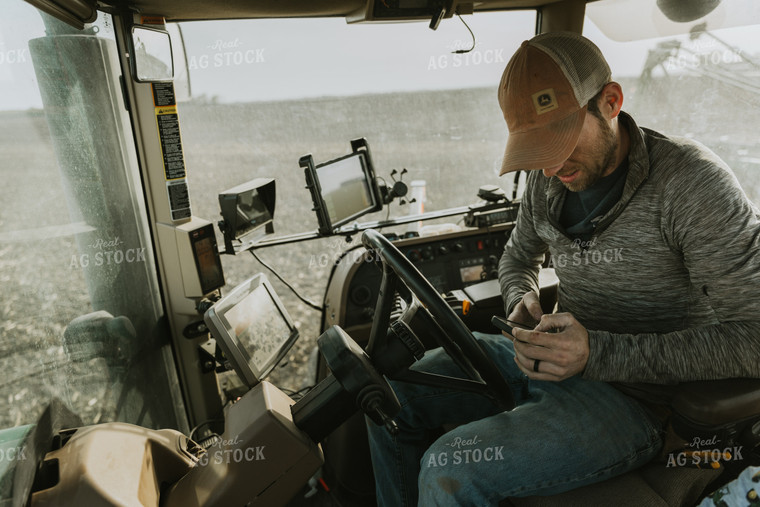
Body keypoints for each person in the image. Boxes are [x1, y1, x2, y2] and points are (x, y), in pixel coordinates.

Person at [366, 31, 760, 506]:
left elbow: (754, 337)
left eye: (561, 141)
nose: (551, 168)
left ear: (610, 102)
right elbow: (518, 256)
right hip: (544, 362)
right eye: (536, 150)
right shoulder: (545, 180)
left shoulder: (693, 186)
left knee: (452, 470)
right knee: (387, 394)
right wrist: (520, 298)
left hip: (638, 401)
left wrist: (596, 354)